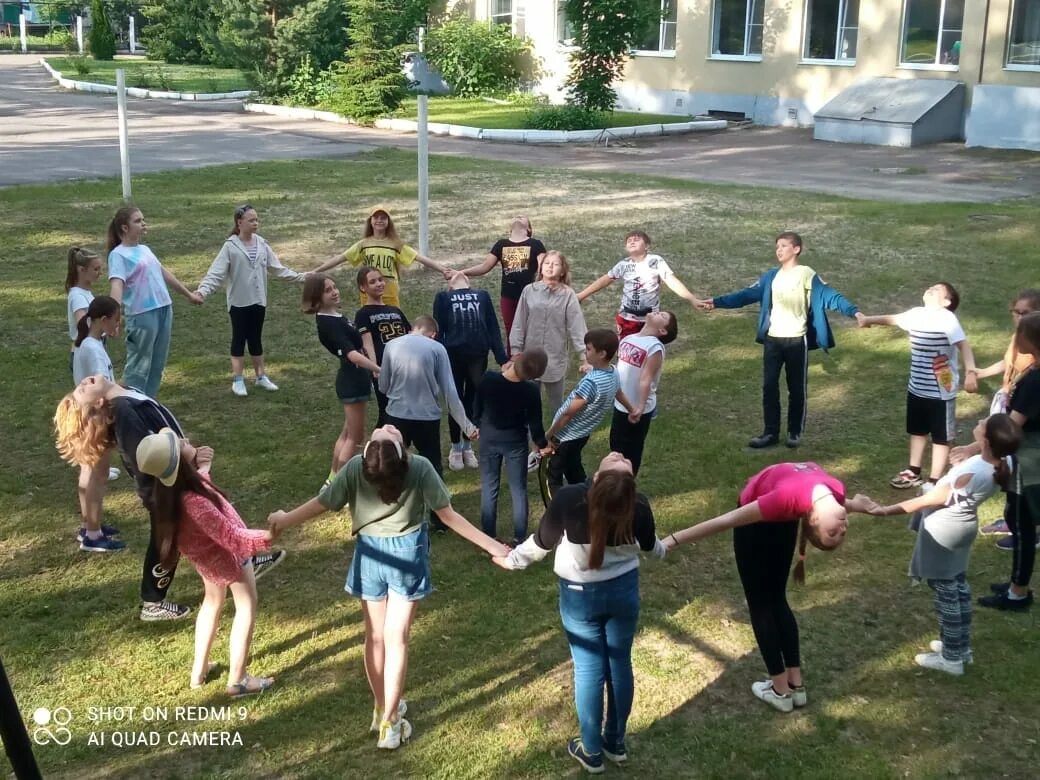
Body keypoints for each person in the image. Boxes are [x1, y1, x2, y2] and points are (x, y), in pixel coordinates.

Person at [268, 425, 510, 749]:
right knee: (397, 640)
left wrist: (285, 520)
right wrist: (494, 546)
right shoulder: (419, 466)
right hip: (407, 557)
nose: (386, 427)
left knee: (376, 638)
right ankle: (391, 723)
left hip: (370, 556)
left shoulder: (356, 467)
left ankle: (382, 707)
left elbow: (324, 502)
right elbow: (449, 517)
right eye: (386, 433)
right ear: (400, 454)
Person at [54, 376, 285, 621]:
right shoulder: (123, 411)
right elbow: (147, 457)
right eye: (83, 389)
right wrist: (185, 458)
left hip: (179, 475)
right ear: (99, 402)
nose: (84, 381)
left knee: (215, 512)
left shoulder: (125, 393)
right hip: (165, 488)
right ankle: (152, 601)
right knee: (166, 543)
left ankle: (244, 556)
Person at [493, 452, 666, 773]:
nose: (621, 454)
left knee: (589, 670)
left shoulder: (572, 499)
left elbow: (541, 543)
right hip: (623, 594)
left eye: (620, 461)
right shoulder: (637, 505)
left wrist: (511, 560)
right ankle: (615, 742)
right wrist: (664, 547)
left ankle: (591, 749)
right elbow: (651, 547)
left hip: (579, 598)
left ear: (597, 479)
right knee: (619, 664)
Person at [664, 462, 873, 713]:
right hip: (774, 523)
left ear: (813, 518)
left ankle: (782, 690)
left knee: (765, 603)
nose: (841, 528)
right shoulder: (836, 493)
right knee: (771, 601)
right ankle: (793, 687)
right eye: (841, 533)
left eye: (832, 532)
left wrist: (674, 539)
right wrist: (860, 505)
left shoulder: (789, 501)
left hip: (764, 524)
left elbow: (728, 520)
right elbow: (835, 502)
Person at [856, 414, 1022, 674]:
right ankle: (960, 647)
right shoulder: (1000, 463)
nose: (979, 421)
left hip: (945, 532)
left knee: (947, 593)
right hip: (963, 529)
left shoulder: (972, 471)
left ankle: (951, 658)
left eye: (983, 424)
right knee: (958, 587)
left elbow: (928, 501)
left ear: (987, 441)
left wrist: (882, 510)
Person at [136, 428, 276, 696]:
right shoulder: (194, 502)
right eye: (180, 443)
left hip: (208, 561)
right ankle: (238, 680)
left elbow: (199, 486)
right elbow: (231, 537)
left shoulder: (175, 492)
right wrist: (269, 536)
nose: (185, 440)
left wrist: (205, 467)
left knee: (212, 602)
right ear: (180, 463)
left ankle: (198, 672)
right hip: (229, 559)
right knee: (246, 605)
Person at [701, 232, 864, 449]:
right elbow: (746, 295)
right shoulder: (770, 276)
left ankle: (794, 432)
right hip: (773, 340)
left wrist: (855, 312)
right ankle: (770, 433)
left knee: (796, 388)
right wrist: (717, 302)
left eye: (784, 245)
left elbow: (830, 296)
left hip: (797, 339)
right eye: (777, 246)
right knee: (769, 386)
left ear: (796, 249)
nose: (779, 250)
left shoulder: (806, 274)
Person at [952, 311, 1040, 611]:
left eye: (1021, 333)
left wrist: (974, 448)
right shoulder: (1034, 373)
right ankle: (1018, 583)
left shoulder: (1036, 380)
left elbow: (1010, 427)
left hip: (1028, 464)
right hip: (1028, 458)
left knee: (1022, 526)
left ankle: (1017, 593)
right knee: (1018, 521)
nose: (1016, 337)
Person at [859, 282, 978, 488]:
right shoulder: (916, 314)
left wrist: (970, 372)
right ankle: (913, 471)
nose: (931, 288)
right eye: (931, 287)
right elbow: (894, 319)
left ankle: (935, 479)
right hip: (917, 386)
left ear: (946, 302)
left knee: (941, 436)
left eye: (938, 289)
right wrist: (868, 320)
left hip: (941, 390)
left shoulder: (947, 319)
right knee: (917, 430)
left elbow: (963, 345)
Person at [196, 204, 307, 397]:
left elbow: (277, 268)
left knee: (255, 338)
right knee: (239, 338)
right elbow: (215, 274)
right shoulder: (230, 247)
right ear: (240, 222)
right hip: (239, 303)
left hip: (258, 301)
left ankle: (261, 376)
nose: (256, 223)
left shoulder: (262, 244)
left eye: (257, 220)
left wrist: (301, 277)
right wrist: (202, 292)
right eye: (251, 220)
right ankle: (238, 380)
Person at [106, 206, 203, 399]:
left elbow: (163, 273)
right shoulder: (118, 255)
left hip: (164, 308)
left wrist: (188, 294)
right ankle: (128, 407)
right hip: (142, 314)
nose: (143, 223)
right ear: (125, 228)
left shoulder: (144, 249)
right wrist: (113, 317)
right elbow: (116, 285)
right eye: (138, 221)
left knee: (157, 364)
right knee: (138, 367)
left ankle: (148, 404)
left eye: (143, 219)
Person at [379, 316, 478, 485]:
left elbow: (383, 386)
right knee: (432, 466)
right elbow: (450, 393)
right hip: (427, 417)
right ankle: (436, 508)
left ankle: (393, 502)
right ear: (433, 334)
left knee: (393, 464)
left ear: (413, 327)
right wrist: (467, 427)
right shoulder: (437, 349)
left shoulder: (391, 345)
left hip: (396, 414)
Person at [972, 289, 1040, 538]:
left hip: (1024, 438)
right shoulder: (1025, 350)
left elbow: (1013, 426)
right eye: (1017, 312)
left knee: (1021, 494)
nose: (1019, 319)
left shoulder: (1033, 375)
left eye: (1026, 314)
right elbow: (1006, 363)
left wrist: (975, 444)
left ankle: (1023, 528)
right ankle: (1016, 519)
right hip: (1013, 411)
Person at [302, 274, 382, 483]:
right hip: (353, 381)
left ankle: (332, 480)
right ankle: (340, 486)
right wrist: (378, 369)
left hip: (355, 378)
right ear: (317, 298)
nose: (335, 292)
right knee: (355, 438)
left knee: (347, 434)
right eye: (328, 290)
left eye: (334, 287)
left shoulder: (336, 317)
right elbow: (352, 354)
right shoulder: (328, 323)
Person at [543, 329, 637, 493]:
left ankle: (558, 509)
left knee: (553, 474)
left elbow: (568, 413)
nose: (585, 352)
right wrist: (631, 409)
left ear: (601, 354)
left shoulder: (591, 384)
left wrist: (550, 434)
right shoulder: (613, 372)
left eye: (588, 349)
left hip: (565, 436)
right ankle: (587, 497)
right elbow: (618, 392)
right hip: (582, 434)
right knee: (573, 467)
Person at [473, 349, 549, 544]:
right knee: (518, 489)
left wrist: (476, 423)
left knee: (489, 487)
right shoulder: (531, 391)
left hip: (489, 438)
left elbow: (477, 405)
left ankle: (488, 535)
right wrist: (542, 444)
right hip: (515, 443)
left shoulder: (489, 378)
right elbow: (535, 424)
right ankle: (519, 537)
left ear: (517, 359)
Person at [434, 271, 507, 470]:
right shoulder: (443, 297)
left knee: (473, 398)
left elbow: (492, 326)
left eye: (462, 273)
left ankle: (467, 446)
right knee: (454, 398)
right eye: (452, 275)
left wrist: (502, 358)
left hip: (477, 355)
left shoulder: (482, 295)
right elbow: (438, 328)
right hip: (453, 355)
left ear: (469, 281)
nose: (458, 273)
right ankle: (456, 447)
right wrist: (437, 358)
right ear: (449, 284)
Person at [70, 296, 126, 552]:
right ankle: (93, 534)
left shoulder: (89, 343)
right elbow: (99, 388)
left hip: (87, 416)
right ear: (103, 320)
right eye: (116, 320)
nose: (118, 325)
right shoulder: (92, 349)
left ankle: (91, 525)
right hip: (95, 417)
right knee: (97, 474)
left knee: (90, 473)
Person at [312, 205, 448, 308]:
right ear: (370, 221)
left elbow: (419, 258)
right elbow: (340, 258)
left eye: (383, 218)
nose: (379, 220)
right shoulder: (363, 244)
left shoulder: (395, 244)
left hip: (389, 293)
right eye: (376, 217)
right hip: (368, 294)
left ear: (388, 221)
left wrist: (443, 270)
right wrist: (316, 271)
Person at [577, 230, 704, 339]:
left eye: (637, 240)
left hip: (650, 321)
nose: (632, 242)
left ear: (647, 246)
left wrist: (692, 298)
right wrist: (581, 295)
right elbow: (605, 280)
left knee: (648, 353)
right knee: (626, 352)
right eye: (629, 241)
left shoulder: (655, 261)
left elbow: (671, 281)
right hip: (626, 319)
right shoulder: (623, 265)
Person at [65, 245, 120, 485]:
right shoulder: (77, 296)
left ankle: (98, 464)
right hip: (87, 352)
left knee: (95, 421)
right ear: (81, 269)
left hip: (92, 347)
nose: (100, 273)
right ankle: (92, 465)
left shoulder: (87, 295)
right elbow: (83, 323)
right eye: (95, 269)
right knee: (92, 418)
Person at [510, 251, 588, 414]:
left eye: (555, 264)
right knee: (528, 403)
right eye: (547, 263)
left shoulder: (568, 295)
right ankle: (528, 437)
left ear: (563, 270)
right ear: (540, 268)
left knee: (557, 405)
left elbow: (577, 326)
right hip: (530, 356)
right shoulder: (529, 291)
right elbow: (519, 322)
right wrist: (516, 351)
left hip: (555, 357)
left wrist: (584, 357)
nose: (550, 266)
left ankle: (556, 437)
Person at [609, 311, 678, 476]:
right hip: (621, 403)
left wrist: (640, 407)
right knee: (616, 444)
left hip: (638, 409)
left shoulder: (654, 347)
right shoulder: (628, 338)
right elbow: (620, 369)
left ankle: (627, 485)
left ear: (662, 331)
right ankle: (614, 481)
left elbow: (645, 379)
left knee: (631, 451)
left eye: (662, 315)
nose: (657, 311)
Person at [459, 215, 547, 343]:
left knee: (530, 331)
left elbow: (543, 266)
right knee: (511, 332)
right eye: (515, 216)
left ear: (528, 228)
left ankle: (530, 360)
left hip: (530, 294)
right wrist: (461, 272)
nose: (518, 217)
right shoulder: (501, 244)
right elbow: (485, 266)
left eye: (522, 217)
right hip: (508, 296)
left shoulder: (535, 244)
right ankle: (513, 360)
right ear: (509, 229)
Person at [354, 266, 411, 426]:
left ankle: (400, 446)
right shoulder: (363, 314)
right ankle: (378, 446)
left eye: (380, 280)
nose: (379, 284)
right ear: (363, 288)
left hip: (404, 367)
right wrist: (374, 367)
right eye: (372, 282)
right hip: (384, 368)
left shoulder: (395, 310)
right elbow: (367, 342)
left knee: (405, 411)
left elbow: (410, 335)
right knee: (387, 411)